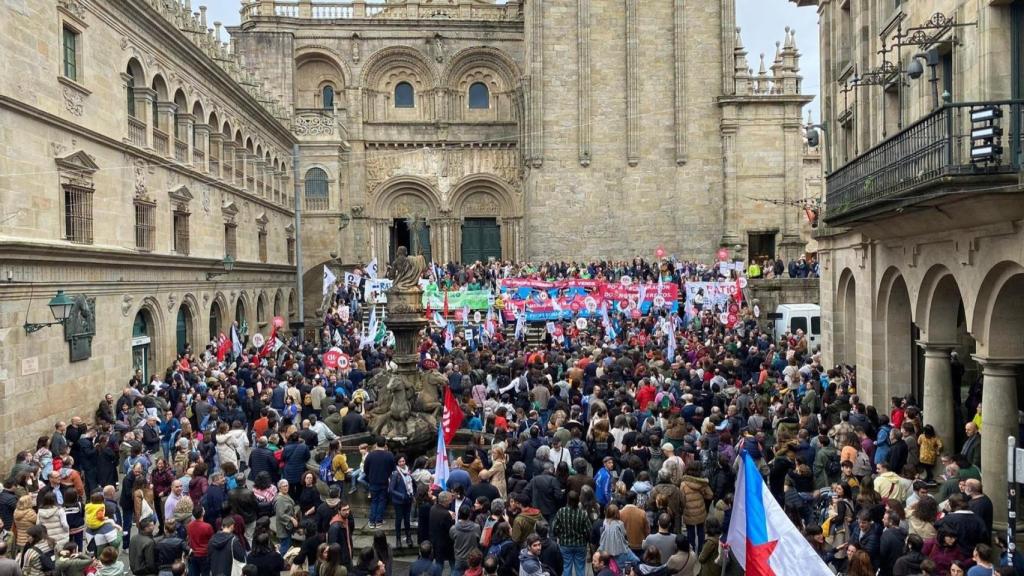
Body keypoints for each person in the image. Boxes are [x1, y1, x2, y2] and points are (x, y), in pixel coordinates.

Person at [552, 491, 590, 576]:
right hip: (580, 544)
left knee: (566, 567)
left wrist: (559, 535)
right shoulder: (583, 513)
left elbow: (554, 528)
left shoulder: (561, 511)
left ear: (567, 500)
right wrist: (586, 540)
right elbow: (588, 530)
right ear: (578, 500)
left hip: (565, 544)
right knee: (580, 567)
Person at [363, 438, 396, 530]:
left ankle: (372, 521)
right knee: (382, 501)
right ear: (385, 444)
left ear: (376, 443)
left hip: (373, 481)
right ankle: (378, 521)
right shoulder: (389, 455)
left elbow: (365, 469)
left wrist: (370, 476)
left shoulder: (370, 455)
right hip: (384, 481)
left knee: (374, 501)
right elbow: (393, 469)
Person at [389, 455, 415, 548]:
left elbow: (412, 484)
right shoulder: (396, 474)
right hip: (398, 501)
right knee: (399, 520)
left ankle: (409, 537)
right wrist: (401, 495)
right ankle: (398, 539)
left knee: (407, 520)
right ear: (397, 463)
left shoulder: (408, 472)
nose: (402, 463)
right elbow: (391, 489)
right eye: (400, 462)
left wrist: (412, 494)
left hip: (408, 500)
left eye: (403, 461)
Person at [450, 505, 481, 576]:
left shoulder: (453, 528)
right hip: (472, 558)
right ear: (470, 514)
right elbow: (478, 539)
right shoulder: (476, 527)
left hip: (459, 558)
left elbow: (452, 537)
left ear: (459, 514)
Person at [274, 479, 298, 555]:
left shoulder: (285, 494)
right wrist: (291, 519)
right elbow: (280, 514)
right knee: (284, 547)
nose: (286, 487)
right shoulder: (280, 500)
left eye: (287, 485)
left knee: (287, 544)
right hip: (283, 527)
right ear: (279, 488)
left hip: (287, 527)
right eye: (283, 486)